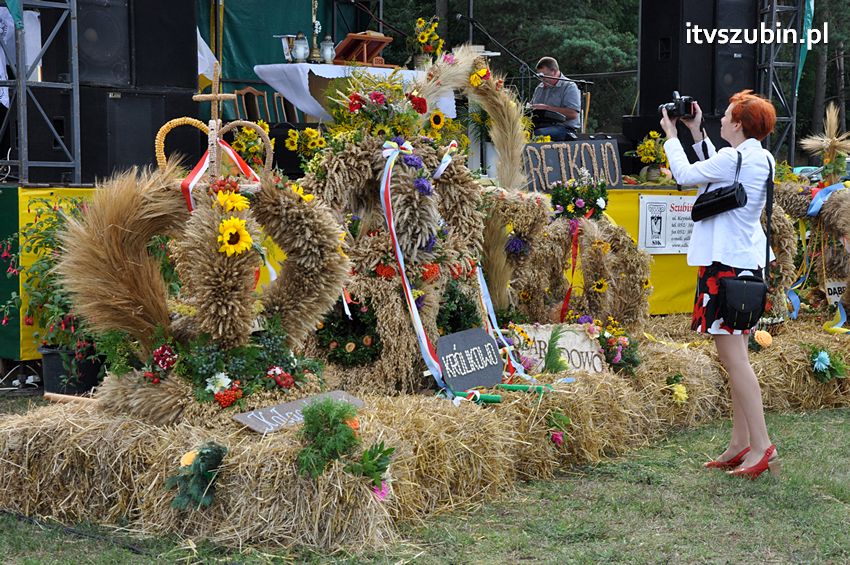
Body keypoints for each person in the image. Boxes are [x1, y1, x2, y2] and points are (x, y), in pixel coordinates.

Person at [659, 90, 779, 480]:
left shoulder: (735, 158)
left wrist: (671, 135)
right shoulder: (760, 157)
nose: (722, 120)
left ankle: (761, 446)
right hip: (746, 265)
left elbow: (687, 175)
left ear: (740, 123)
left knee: (735, 361)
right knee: (736, 358)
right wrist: (697, 134)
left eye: (727, 116)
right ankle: (740, 443)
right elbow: (721, 169)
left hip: (725, 267)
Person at [530, 57, 581, 141]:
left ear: (554, 72)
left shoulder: (569, 86)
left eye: (543, 75)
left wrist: (546, 108)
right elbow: (533, 107)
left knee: (539, 134)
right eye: (539, 76)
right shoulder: (539, 87)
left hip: (564, 128)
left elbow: (573, 113)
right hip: (542, 125)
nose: (541, 79)